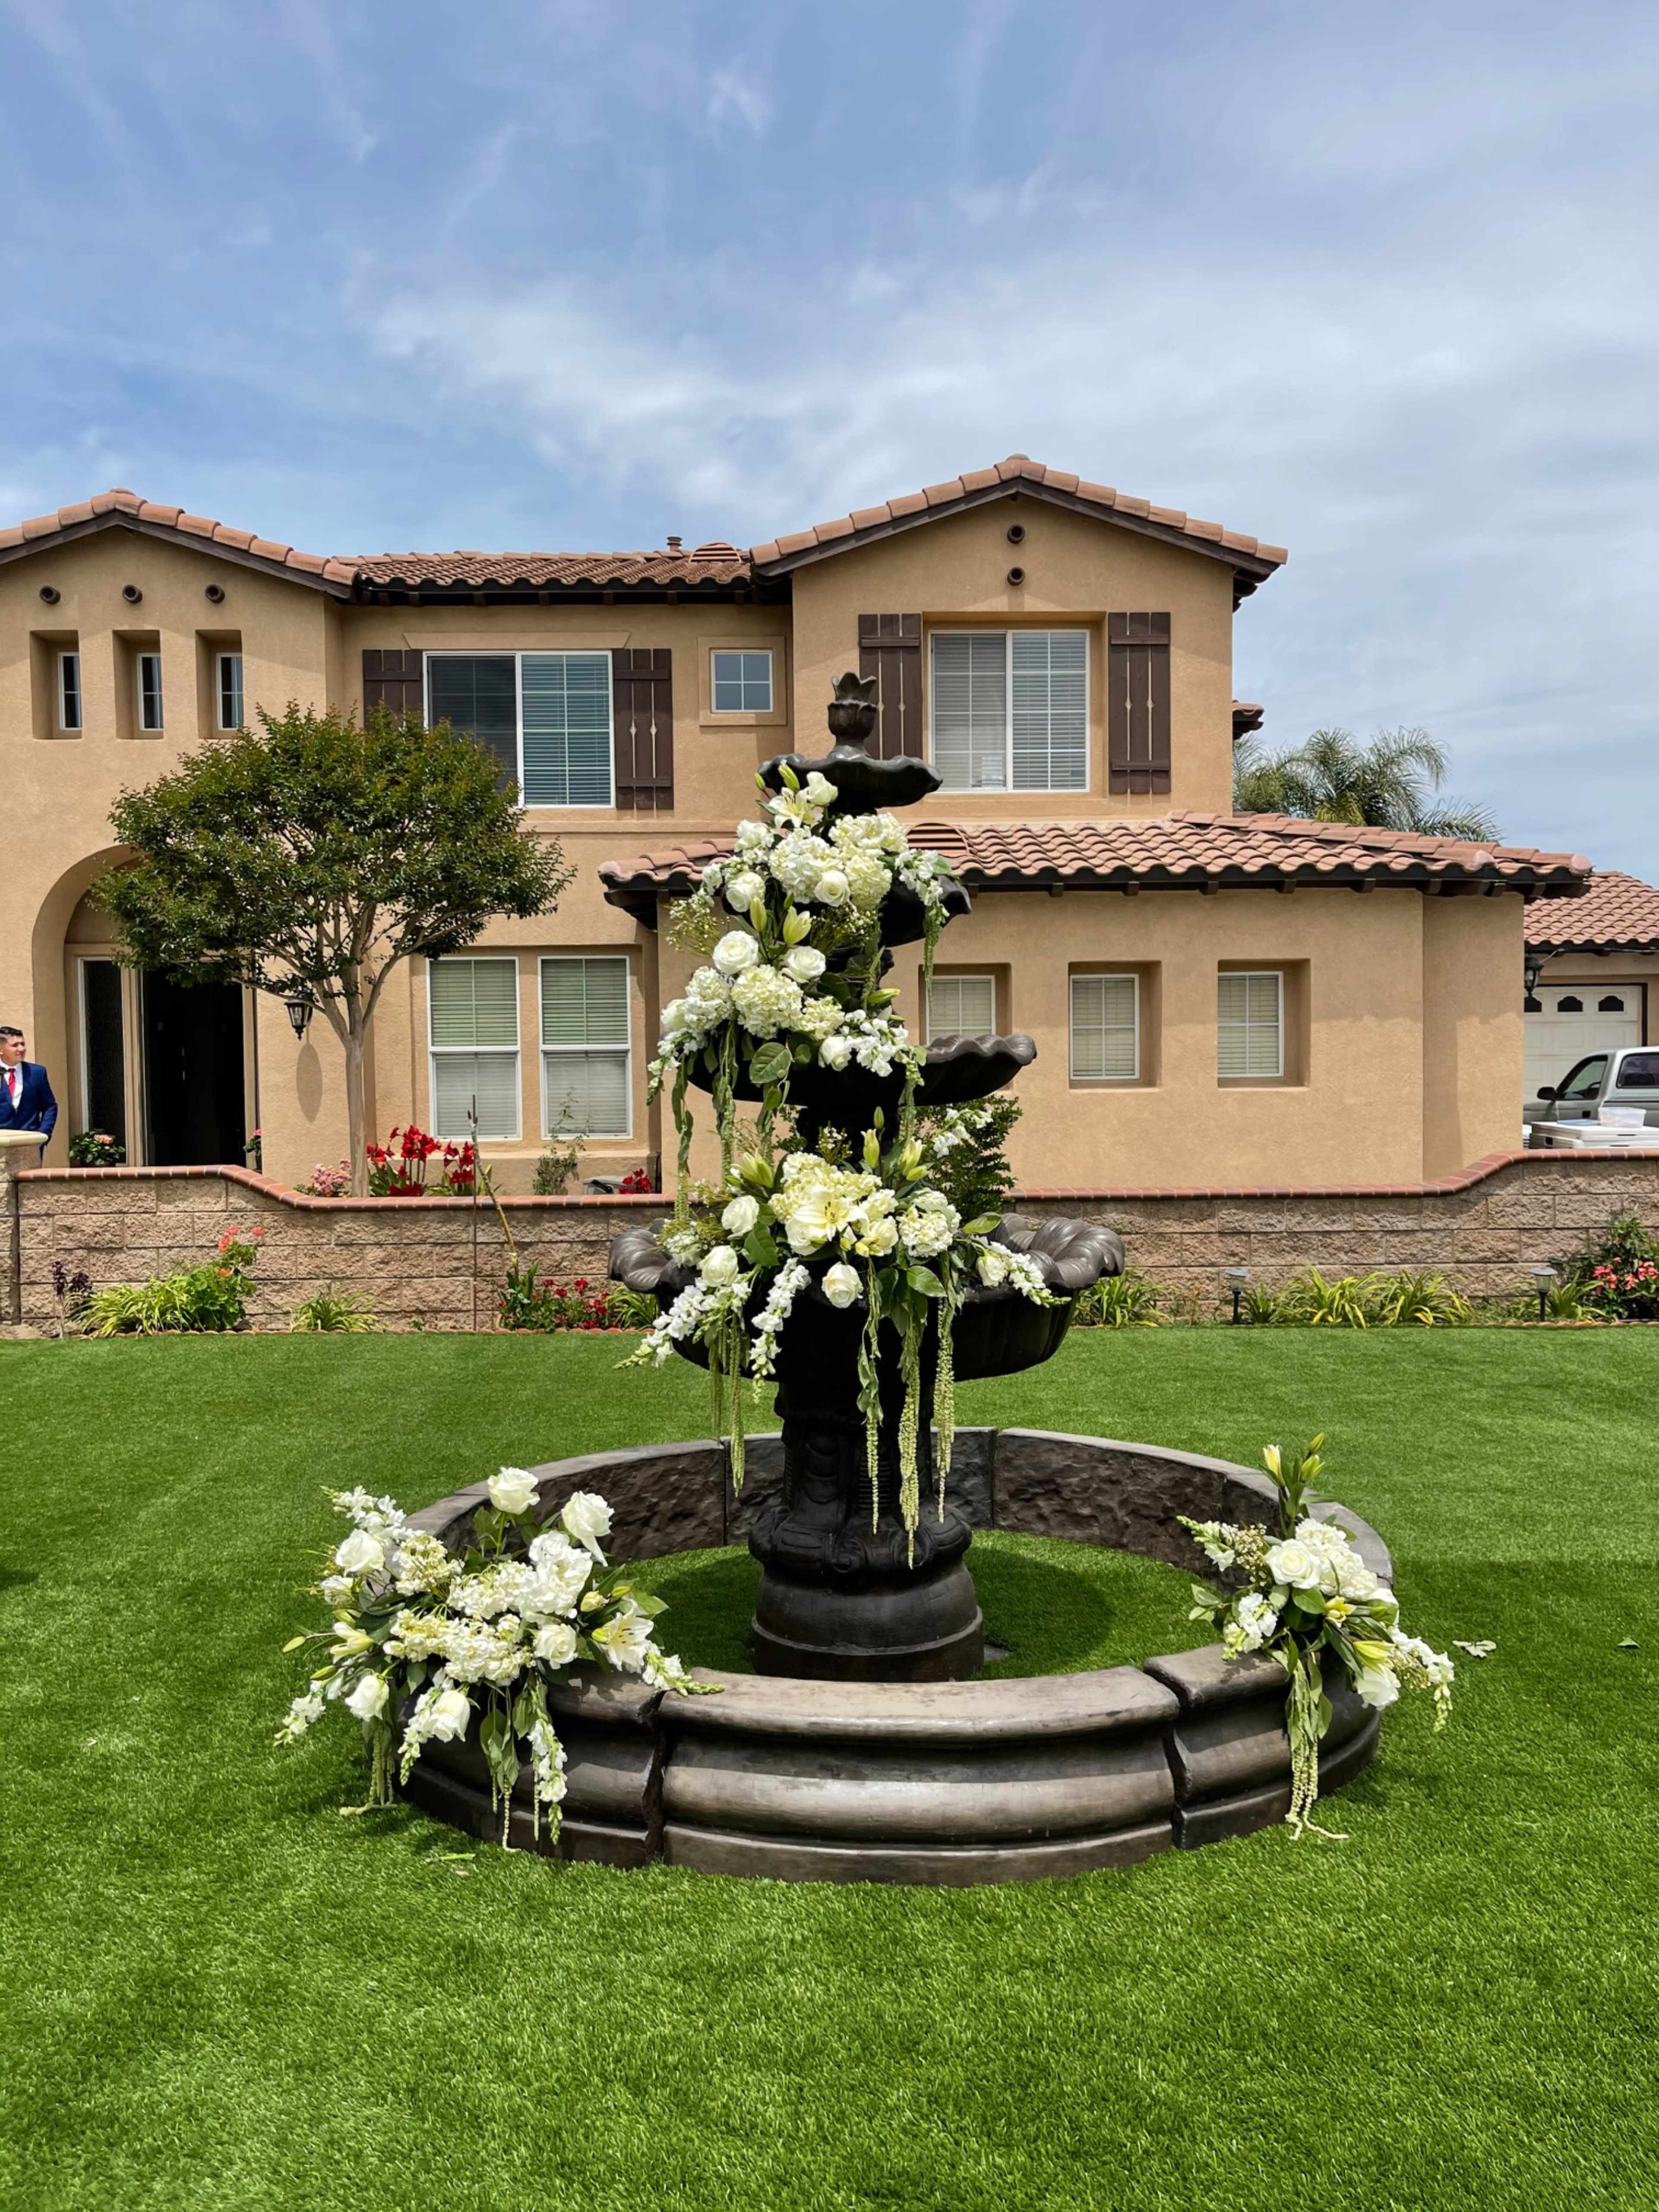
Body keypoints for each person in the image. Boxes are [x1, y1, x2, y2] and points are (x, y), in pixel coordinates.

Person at [0, 1027, 57, 1143]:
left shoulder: (37, 1073)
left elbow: (50, 1106)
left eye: (23, 1044)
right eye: (15, 1045)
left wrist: (43, 1134)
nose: (21, 1049)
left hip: (30, 1144)